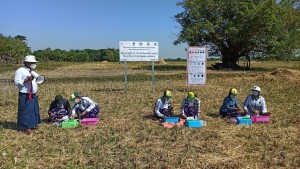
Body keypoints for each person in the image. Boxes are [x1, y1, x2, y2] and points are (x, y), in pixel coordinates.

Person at [14, 55, 41, 134]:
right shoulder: (20, 71)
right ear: (27, 63)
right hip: (25, 94)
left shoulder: (32, 71)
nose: (34, 64)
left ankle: (32, 124)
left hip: (32, 94)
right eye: (32, 62)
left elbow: (35, 82)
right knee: (25, 110)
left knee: (33, 109)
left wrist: (36, 92)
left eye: (34, 62)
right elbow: (17, 82)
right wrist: (26, 80)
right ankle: (25, 127)